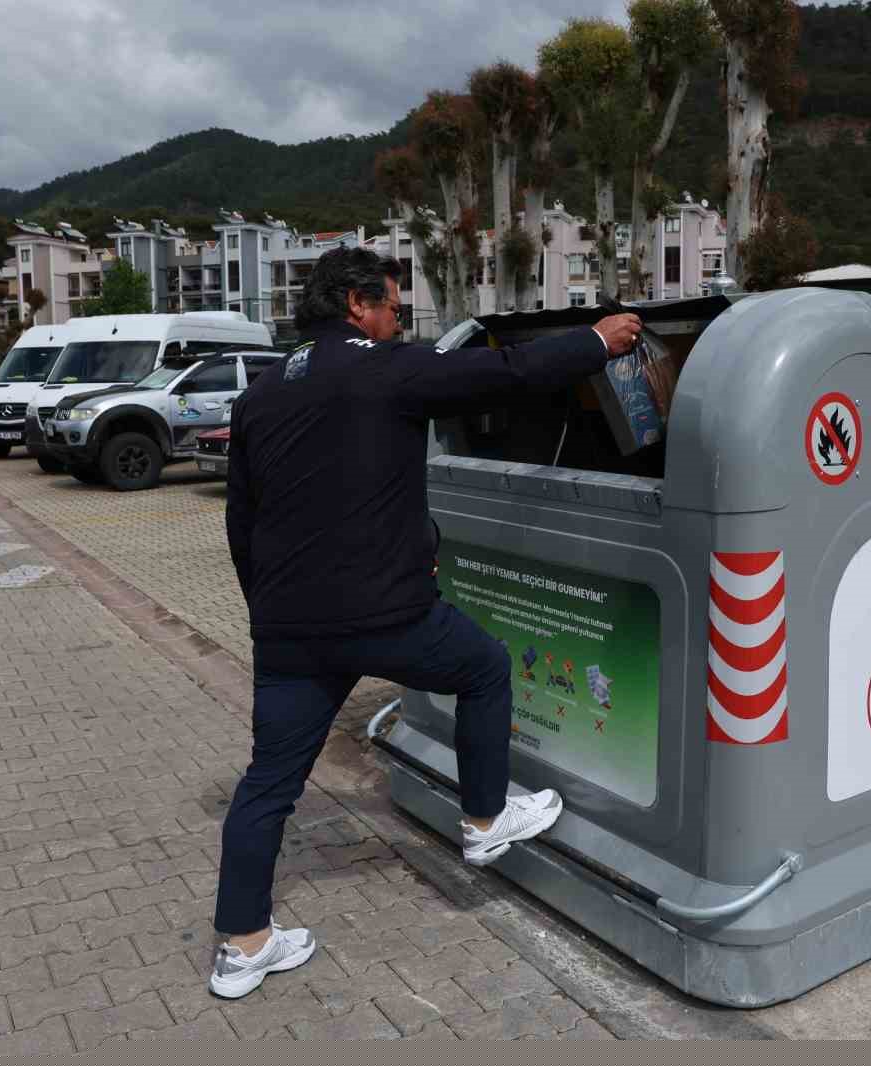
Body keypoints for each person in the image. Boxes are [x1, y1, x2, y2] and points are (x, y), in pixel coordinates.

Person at [209, 246, 642, 999]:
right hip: (384, 613)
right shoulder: (384, 366)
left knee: (268, 785)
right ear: (356, 306)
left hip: (288, 632)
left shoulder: (263, 392)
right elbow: (505, 375)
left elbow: (241, 522)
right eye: (392, 308)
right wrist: (598, 342)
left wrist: (270, 614)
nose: (397, 320)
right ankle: (484, 819)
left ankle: (242, 947)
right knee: (484, 667)